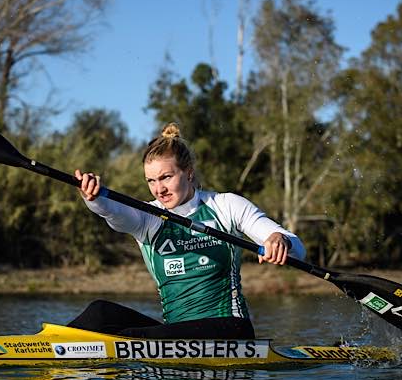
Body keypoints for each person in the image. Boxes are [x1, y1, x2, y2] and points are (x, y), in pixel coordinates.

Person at [69, 123, 306, 339]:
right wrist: (94, 198)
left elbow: (296, 248)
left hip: (231, 330)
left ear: (189, 172)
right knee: (100, 312)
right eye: (151, 181)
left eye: (166, 177)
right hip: (175, 334)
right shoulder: (147, 216)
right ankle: (44, 347)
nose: (159, 189)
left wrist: (279, 241)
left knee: (131, 336)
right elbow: (115, 213)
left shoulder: (226, 205)